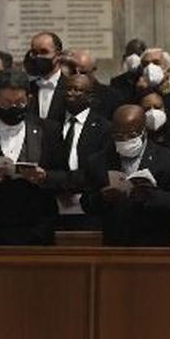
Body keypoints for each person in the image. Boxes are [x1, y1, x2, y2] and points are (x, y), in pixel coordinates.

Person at [0, 69, 67, 246]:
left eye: (20, 103)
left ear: (29, 100)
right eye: (6, 103)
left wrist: (44, 177)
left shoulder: (49, 131)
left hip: (37, 227)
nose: (13, 108)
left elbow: (65, 176)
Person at [82, 104, 170, 246]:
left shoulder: (169, 160)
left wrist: (150, 195)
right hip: (115, 244)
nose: (125, 139)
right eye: (119, 136)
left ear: (143, 131)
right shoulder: (98, 161)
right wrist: (102, 197)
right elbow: (86, 203)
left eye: (131, 135)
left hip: (154, 244)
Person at [54, 72, 110, 231]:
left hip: (90, 205)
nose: (70, 93)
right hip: (55, 203)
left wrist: (68, 181)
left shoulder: (104, 128)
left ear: (90, 97)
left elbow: (101, 169)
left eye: (77, 90)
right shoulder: (51, 124)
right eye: (67, 88)